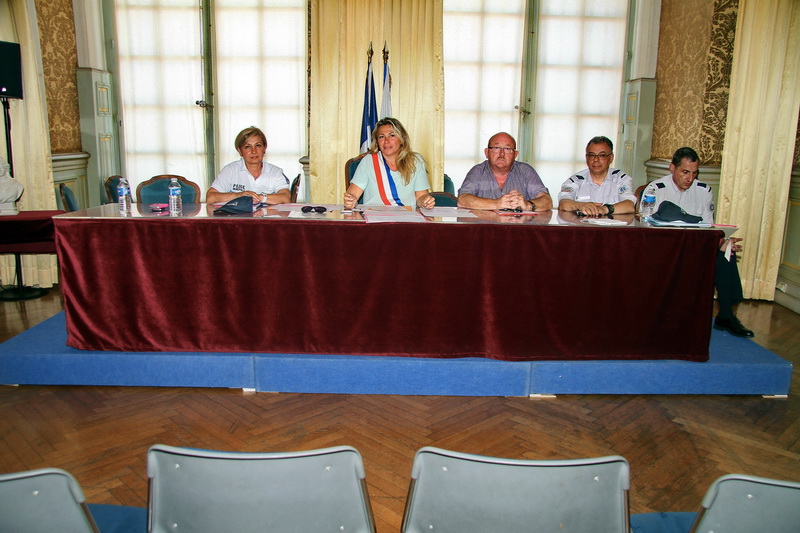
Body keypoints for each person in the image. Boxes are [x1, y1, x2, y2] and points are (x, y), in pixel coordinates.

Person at [642, 147, 754, 338]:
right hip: (664, 250)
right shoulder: (655, 189)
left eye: (694, 173)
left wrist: (721, 242)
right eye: (685, 172)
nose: (689, 178)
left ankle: (726, 315)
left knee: (727, 253)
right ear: (672, 168)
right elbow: (646, 227)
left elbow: (708, 228)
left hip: (694, 248)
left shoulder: (704, 191)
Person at [343, 118, 435, 209]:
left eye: (391, 135)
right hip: (375, 219)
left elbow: (420, 197)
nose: (386, 141)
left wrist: (425, 201)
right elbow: (353, 194)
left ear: (402, 138)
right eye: (381, 137)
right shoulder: (369, 161)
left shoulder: (416, 161)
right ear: (377, 141)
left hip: (406, 219)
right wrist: (350, 200)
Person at [457, 132, 552, 211]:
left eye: (507, 149)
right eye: (496, 148)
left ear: (515, 154)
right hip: (485, 230)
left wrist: (528, 205)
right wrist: (496, 204)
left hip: (518, 230)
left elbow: (547, 201)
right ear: (487, 153)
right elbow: (463, 200)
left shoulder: (526, 171)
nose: (501, 154)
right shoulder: (477, 171)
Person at [206, 126, 291, 205]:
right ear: (240, 151)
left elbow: (285, 198)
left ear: (264, 148)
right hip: (237, 219)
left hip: (267, 219)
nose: (254, 151)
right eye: (247, 147)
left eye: (258, 145)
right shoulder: (230, 170)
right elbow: (210, 197)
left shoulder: (275, 172)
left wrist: (260, 197)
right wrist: (238, 196)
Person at [558, 136, 635, 215]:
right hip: (583, 226)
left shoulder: (621, 179)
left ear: (611, 158)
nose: (596, 160)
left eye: (602, 155)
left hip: (612, 226)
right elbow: (563, 204)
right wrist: (581, 205)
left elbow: (629, 205)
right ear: (586, 158)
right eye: (591, 155)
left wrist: (604, 209)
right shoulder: (575, 181)